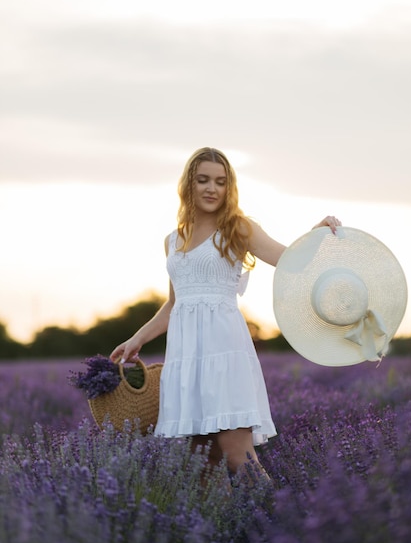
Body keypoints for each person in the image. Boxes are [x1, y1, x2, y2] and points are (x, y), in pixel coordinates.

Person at [110, 147, 341, 486]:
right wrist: (137, 339)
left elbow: (289, 260)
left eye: (220, 182)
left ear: (228, 187)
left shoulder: (238, 228)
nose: (211, 189)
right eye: (202, 180)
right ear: (188, 185)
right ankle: (226, 536)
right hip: (186, 358)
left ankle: (278, 526)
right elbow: (174, 304)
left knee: (238, 456)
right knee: (202, 464)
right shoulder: (172, 240)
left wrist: (316, 234)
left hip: (225, 355)